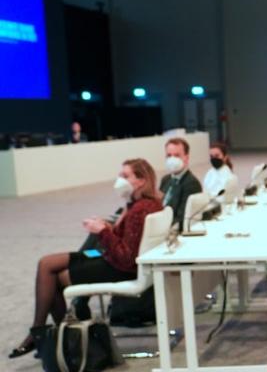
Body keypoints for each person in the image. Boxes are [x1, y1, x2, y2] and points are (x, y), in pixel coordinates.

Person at [9, 159, 164, 358]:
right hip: (111, 259)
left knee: (53, 274)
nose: (119, 180)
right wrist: (108, 228)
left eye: (125, 176)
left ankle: (47, 337)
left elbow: (127, 258)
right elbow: (127, 242)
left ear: (141, 180)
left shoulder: (140, 209)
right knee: (46, 263)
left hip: (117, 267)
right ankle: (45, 335)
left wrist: (102, 232)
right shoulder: (142, 204)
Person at [160, 137, 202, 231]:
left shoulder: (191, 184)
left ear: (186, 158)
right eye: (169, 155)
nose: (172, 159)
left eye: (177, 155)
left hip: (170, 230)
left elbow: (182, 218)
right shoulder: (165, 180)